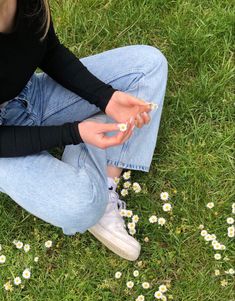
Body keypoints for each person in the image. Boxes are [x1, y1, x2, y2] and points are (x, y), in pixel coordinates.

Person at [0, 0, 168, 261]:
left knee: (148, 65)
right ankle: (96, 188)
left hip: (27, 94)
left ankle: (107, 182)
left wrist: (106, 97)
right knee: (81, 204)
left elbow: (49, 50)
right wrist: (74, 132)